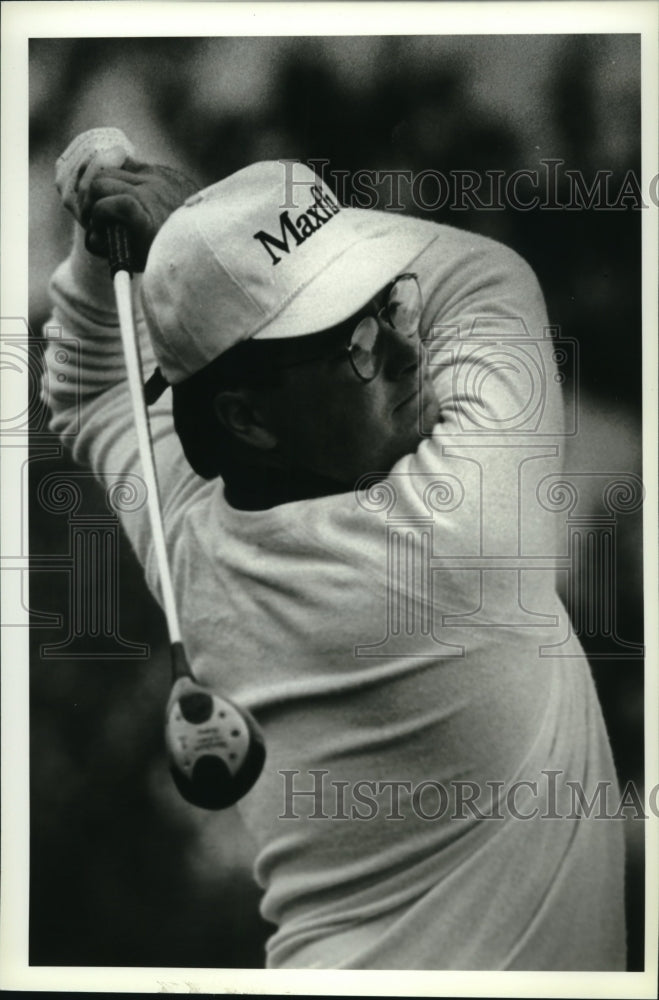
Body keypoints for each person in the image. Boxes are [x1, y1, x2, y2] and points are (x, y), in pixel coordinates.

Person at [44, 134, 626, 970]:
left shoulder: (192, 524)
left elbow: (87, 388)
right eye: (354, 345)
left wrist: (182, 249)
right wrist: (202, 224)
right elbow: (490, 274)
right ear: (247, 417)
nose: (403, 350)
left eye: (391, 307)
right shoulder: (457, 530)